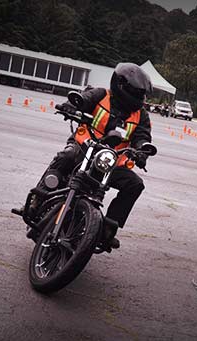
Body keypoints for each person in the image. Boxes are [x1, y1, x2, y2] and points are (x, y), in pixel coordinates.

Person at [32, 63, 153, 250]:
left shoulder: (141, 115)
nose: (139, 98)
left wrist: (142, 150)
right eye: (136, 93)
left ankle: (108, 227)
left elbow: (142, 136)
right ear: (120, 84)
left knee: (135, 184)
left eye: (141, 94)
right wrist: (71, 106)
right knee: (66, 156)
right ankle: (39, 197)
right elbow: (81, 99)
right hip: (84, 147)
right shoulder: (100, 94)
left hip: (111, 162)